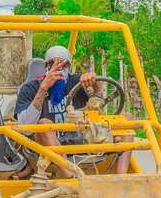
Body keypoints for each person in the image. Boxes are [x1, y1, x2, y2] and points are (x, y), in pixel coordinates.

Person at [14, 45, 134, 177]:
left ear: (69, 67)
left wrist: (94, 82)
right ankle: (72, 177)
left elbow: (97, 96)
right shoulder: (31, 88)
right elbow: (25, 126)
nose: (59, 68)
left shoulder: (76, 81)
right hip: (46, 146)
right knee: (44, 123)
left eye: (64, 65)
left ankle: (121, 177)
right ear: (46, 66)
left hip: (82, 139)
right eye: (53, 63)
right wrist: (43, 88)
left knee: (127, 117)